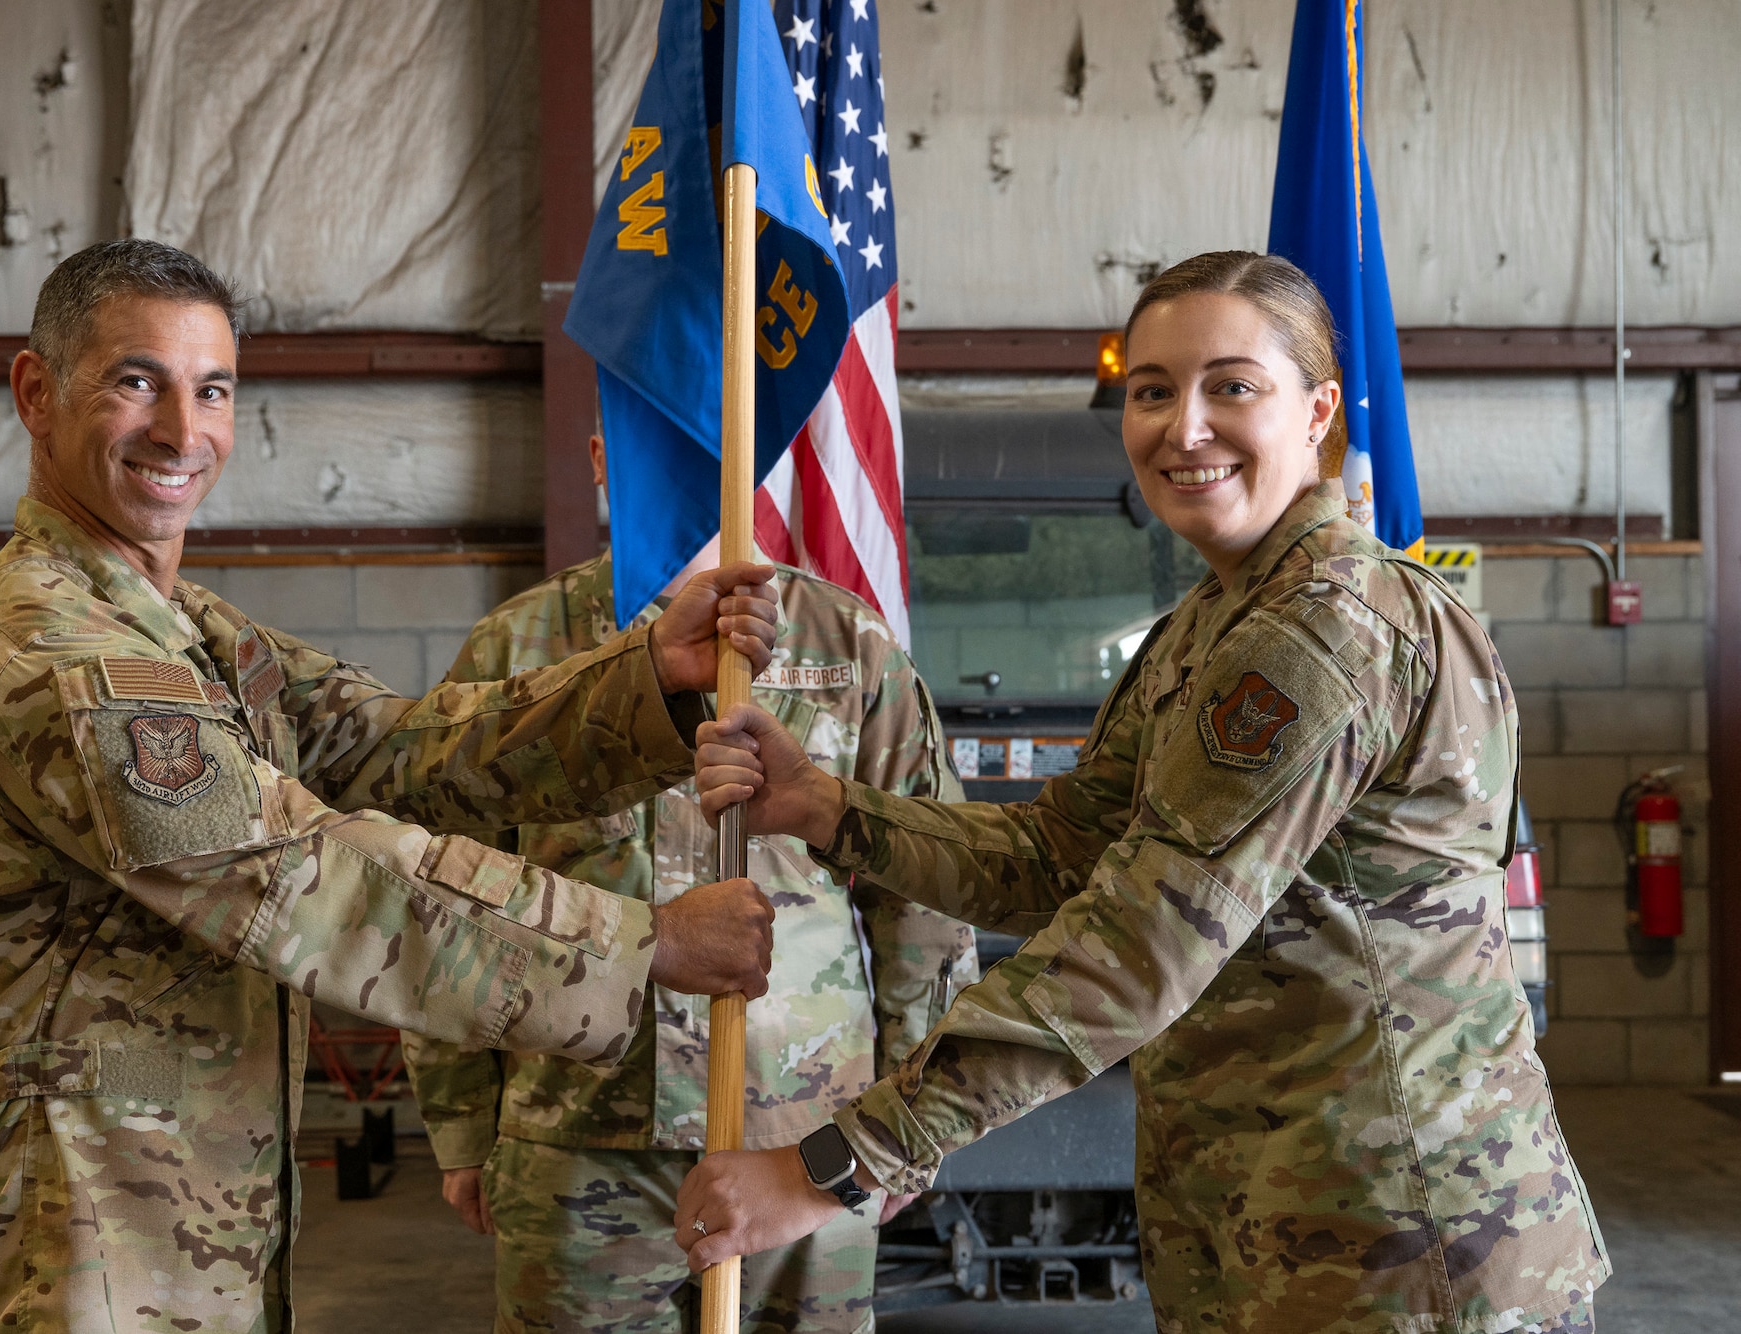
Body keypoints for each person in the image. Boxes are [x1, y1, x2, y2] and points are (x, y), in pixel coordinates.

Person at [680, 252, 1610, 1333]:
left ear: (1314, 412)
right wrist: (831, 809)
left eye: (1231, 386)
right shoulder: (1206, 628)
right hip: (1268, 1227)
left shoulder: (1322, 627)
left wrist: (833, 1163)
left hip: (1391, 1244)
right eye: (1153, 390)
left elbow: (1132, 945)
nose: (1184, 427)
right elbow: (1059, 861)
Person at [0, 239, 784, 1334]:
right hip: (74, 1239)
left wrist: (648, 681)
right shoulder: (53, 654)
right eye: (137, 382)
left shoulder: (191, 635)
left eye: (210, 388)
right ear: (37, 393)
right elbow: (306, 876)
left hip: (178, 1212)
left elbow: (402, 750)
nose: (183, 431)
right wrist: (640, 946)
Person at [402, 433, 979, 1333]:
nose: (691, 466)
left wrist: (905, 1130)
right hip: (577, 1129)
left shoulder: (849, 645)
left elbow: (925, 896)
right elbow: (446, 890)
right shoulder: (518, 647)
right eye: (654, 435)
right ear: (602, 455)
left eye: (718, 441)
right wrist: (462, 1124)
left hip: (804, 1134)